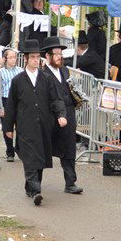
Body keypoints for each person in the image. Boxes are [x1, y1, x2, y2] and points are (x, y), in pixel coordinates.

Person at [3, 39, 67, 205]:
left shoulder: (46, 79)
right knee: (30, 157)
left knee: (40, 158)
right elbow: (11, 104)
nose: (35, 60)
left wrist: (61, 114)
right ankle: (36, 190)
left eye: (38, 57)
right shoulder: (18, 80)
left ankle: (31, 186)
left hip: (44, 125)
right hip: (25, 125)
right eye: (32, 57)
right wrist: (8, 127)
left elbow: (56, 99)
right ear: (25, 59)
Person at [42, 36, 83, 194]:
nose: (60, 56)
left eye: (61, 53)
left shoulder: (65, 71)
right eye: (56, 53)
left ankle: (70, 182)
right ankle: (34, 183)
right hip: (51, 116)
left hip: (68, 114)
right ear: (48, 56)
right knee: (43, 149)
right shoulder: (42, 74)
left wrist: (77, 98)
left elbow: (70, 90)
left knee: (69, 149)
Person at [0, 49, 22, 163]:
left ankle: (19, 148)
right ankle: (9, 151)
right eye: (11, 57)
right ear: (5, 59)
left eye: (14, 57)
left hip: (18, 101)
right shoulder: (1, 72)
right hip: (6, 99)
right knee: (7, 126)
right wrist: (1, 107)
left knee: (21, 126)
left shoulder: (20, 71)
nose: (13, 59)